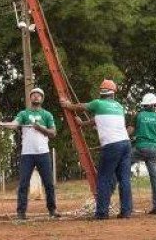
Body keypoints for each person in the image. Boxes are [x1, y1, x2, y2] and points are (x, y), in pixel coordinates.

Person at [61, 79, 132, 220]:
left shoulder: (98, 103)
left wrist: (68, 105)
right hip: (125, 143)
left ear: (101, 92)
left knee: (104, 178)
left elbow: (81, 106)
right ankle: (126, 212)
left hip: (111, 145)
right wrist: (84, 123)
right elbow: (98, 119)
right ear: (113, 93)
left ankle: (102, 213)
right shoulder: (118, 106)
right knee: (124, 179)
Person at [0, 87, 61, 220]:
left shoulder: (47, 115)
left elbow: (53, 133)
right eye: (34, 95)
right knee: (24, 184)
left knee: (49, 183)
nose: (36, 97)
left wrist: (40, 127)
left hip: (43, 153)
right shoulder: (23, 114)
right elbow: (14, 125)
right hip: (27, 154)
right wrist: (2, 124)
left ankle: (52, 210)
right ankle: (21, 212)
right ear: (30, 98)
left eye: (39, 95)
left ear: (42, 99)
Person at [127, 93, 156, 214]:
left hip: (139, 148)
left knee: (123, 167)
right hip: (154, 149)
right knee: (155, 179)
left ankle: (127, 206)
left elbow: (130, 131)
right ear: (155, 105)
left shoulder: (138, 115)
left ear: (144, 105)